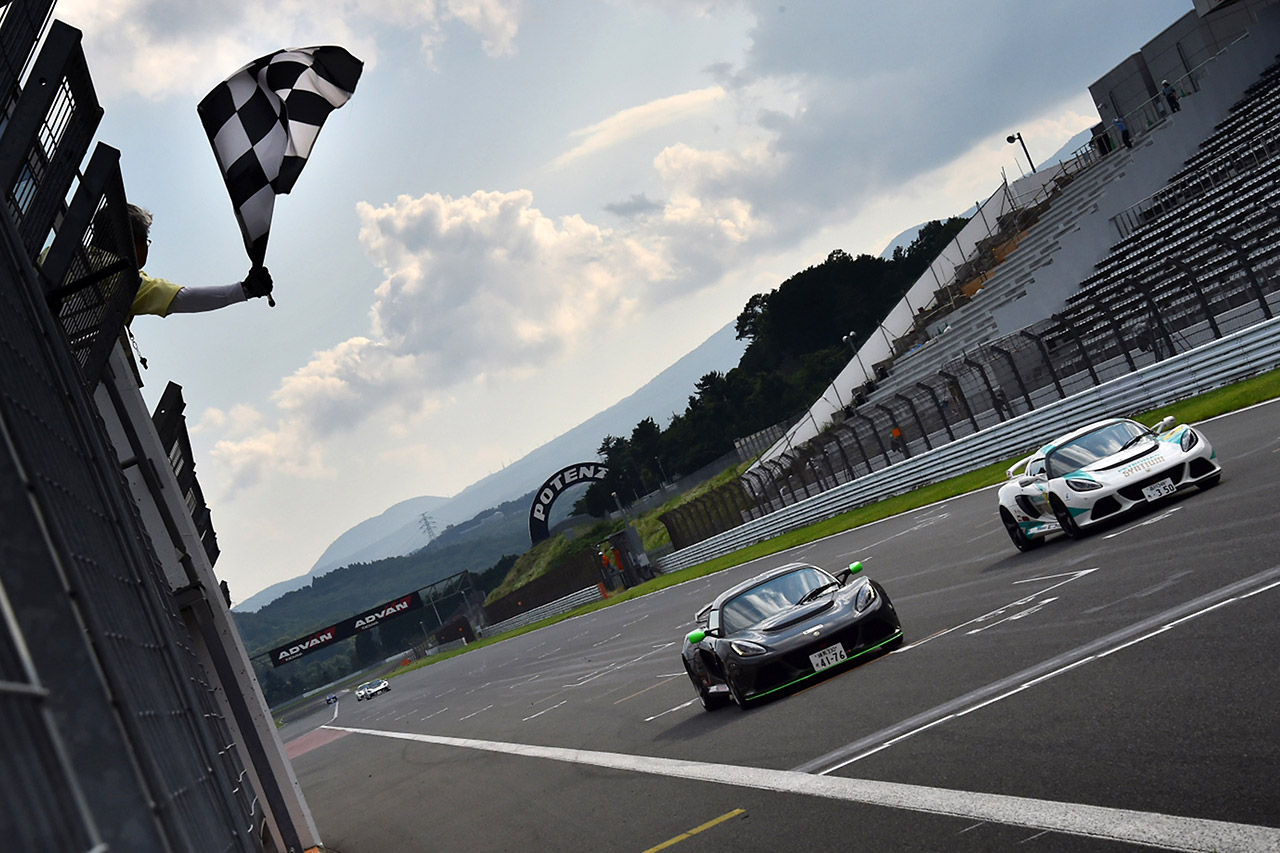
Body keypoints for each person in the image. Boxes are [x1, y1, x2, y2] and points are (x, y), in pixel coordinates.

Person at [124, 204, 273, 318]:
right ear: (136, 242)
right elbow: (185, 299)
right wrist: (247, 290)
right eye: (146, 241)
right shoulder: (130, 282)